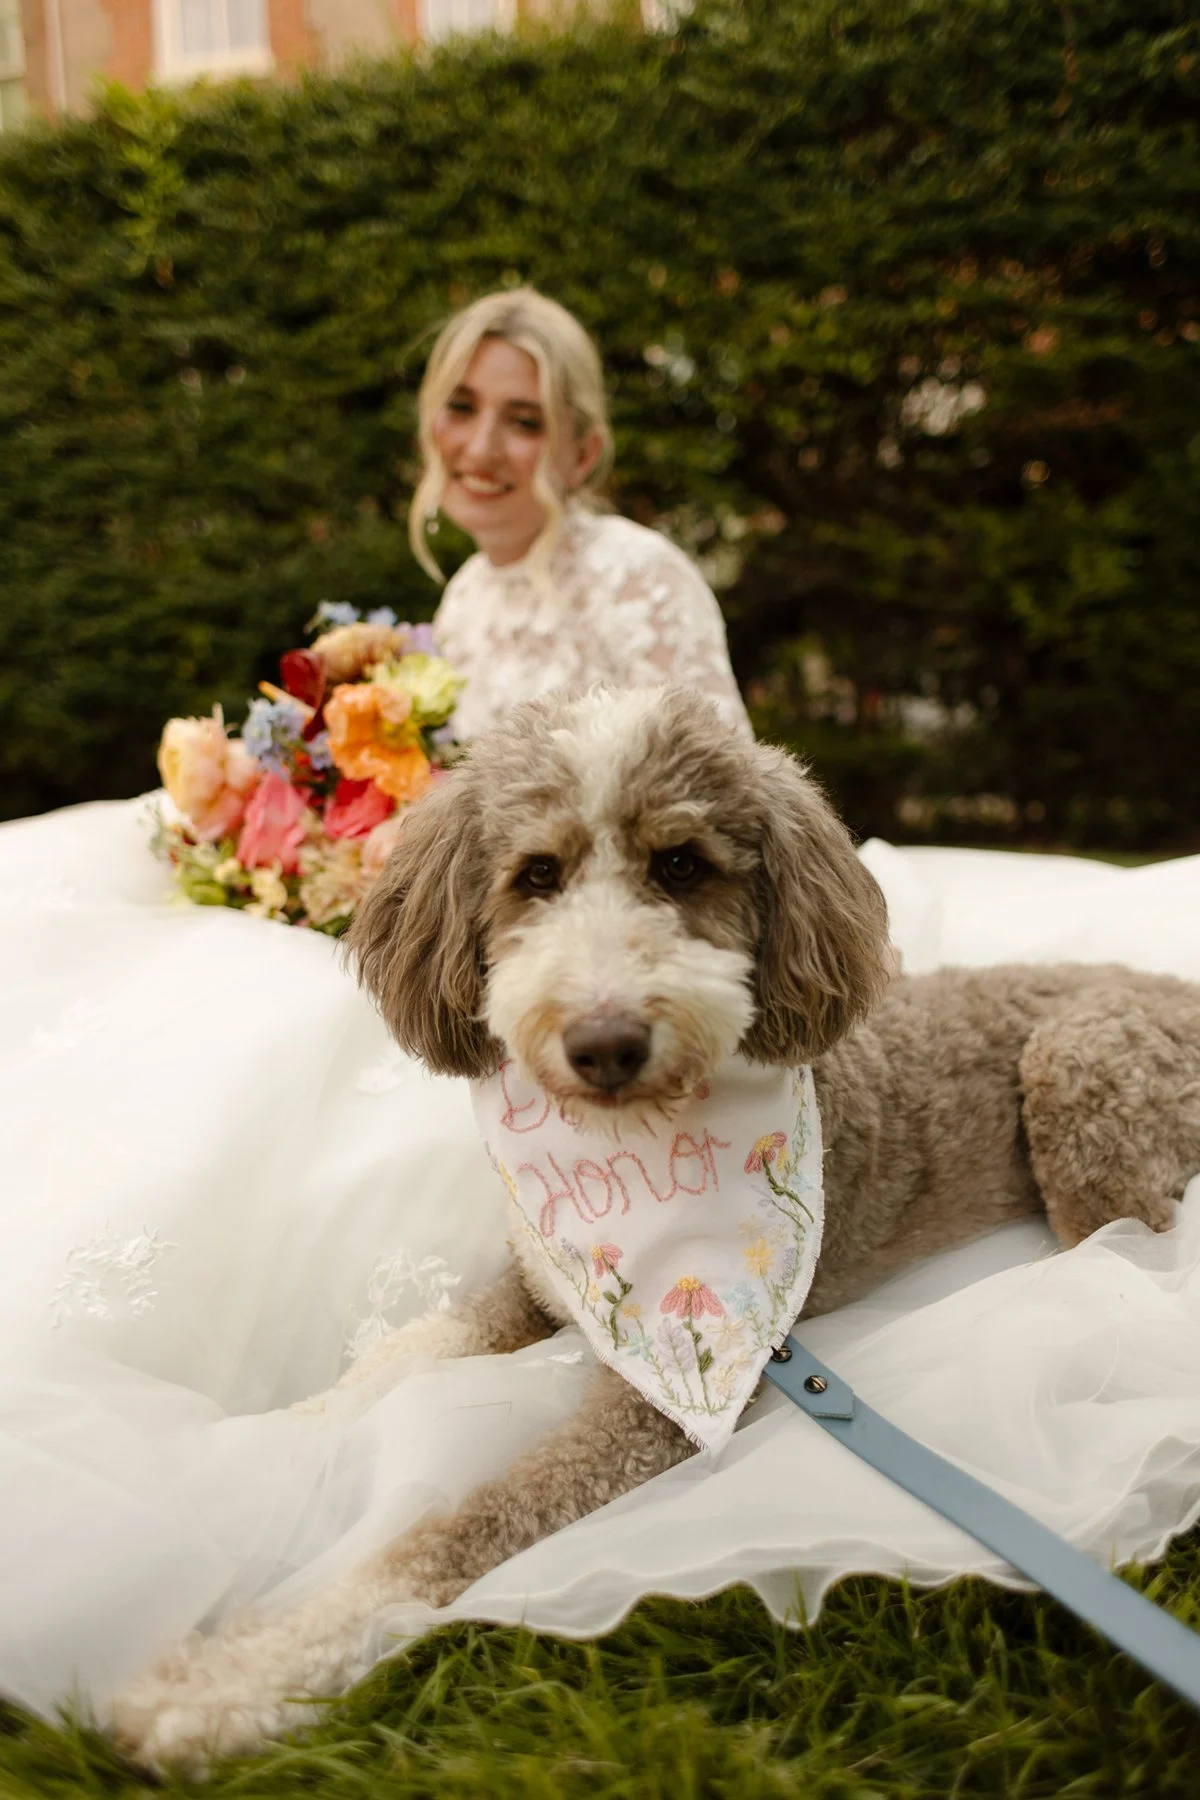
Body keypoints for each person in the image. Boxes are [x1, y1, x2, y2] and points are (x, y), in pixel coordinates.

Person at [0, 295, 1199, 1736]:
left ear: (583, 440)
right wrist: (406, 1365)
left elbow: (635, 1422)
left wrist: (339, 1617)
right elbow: (549, 1269)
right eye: (464, 410)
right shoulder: (468, 614)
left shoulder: (644, 583)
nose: (489, 444)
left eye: (688, 870)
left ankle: (297, 1652)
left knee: (1087, 1092)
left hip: (1075, 1038)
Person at [413, 287, 750, 741]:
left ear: (584, 454)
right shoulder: (463, 601)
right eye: (461, 407)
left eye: (524, 421)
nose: (480, 448)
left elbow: (723, 794)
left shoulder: (642, 579)